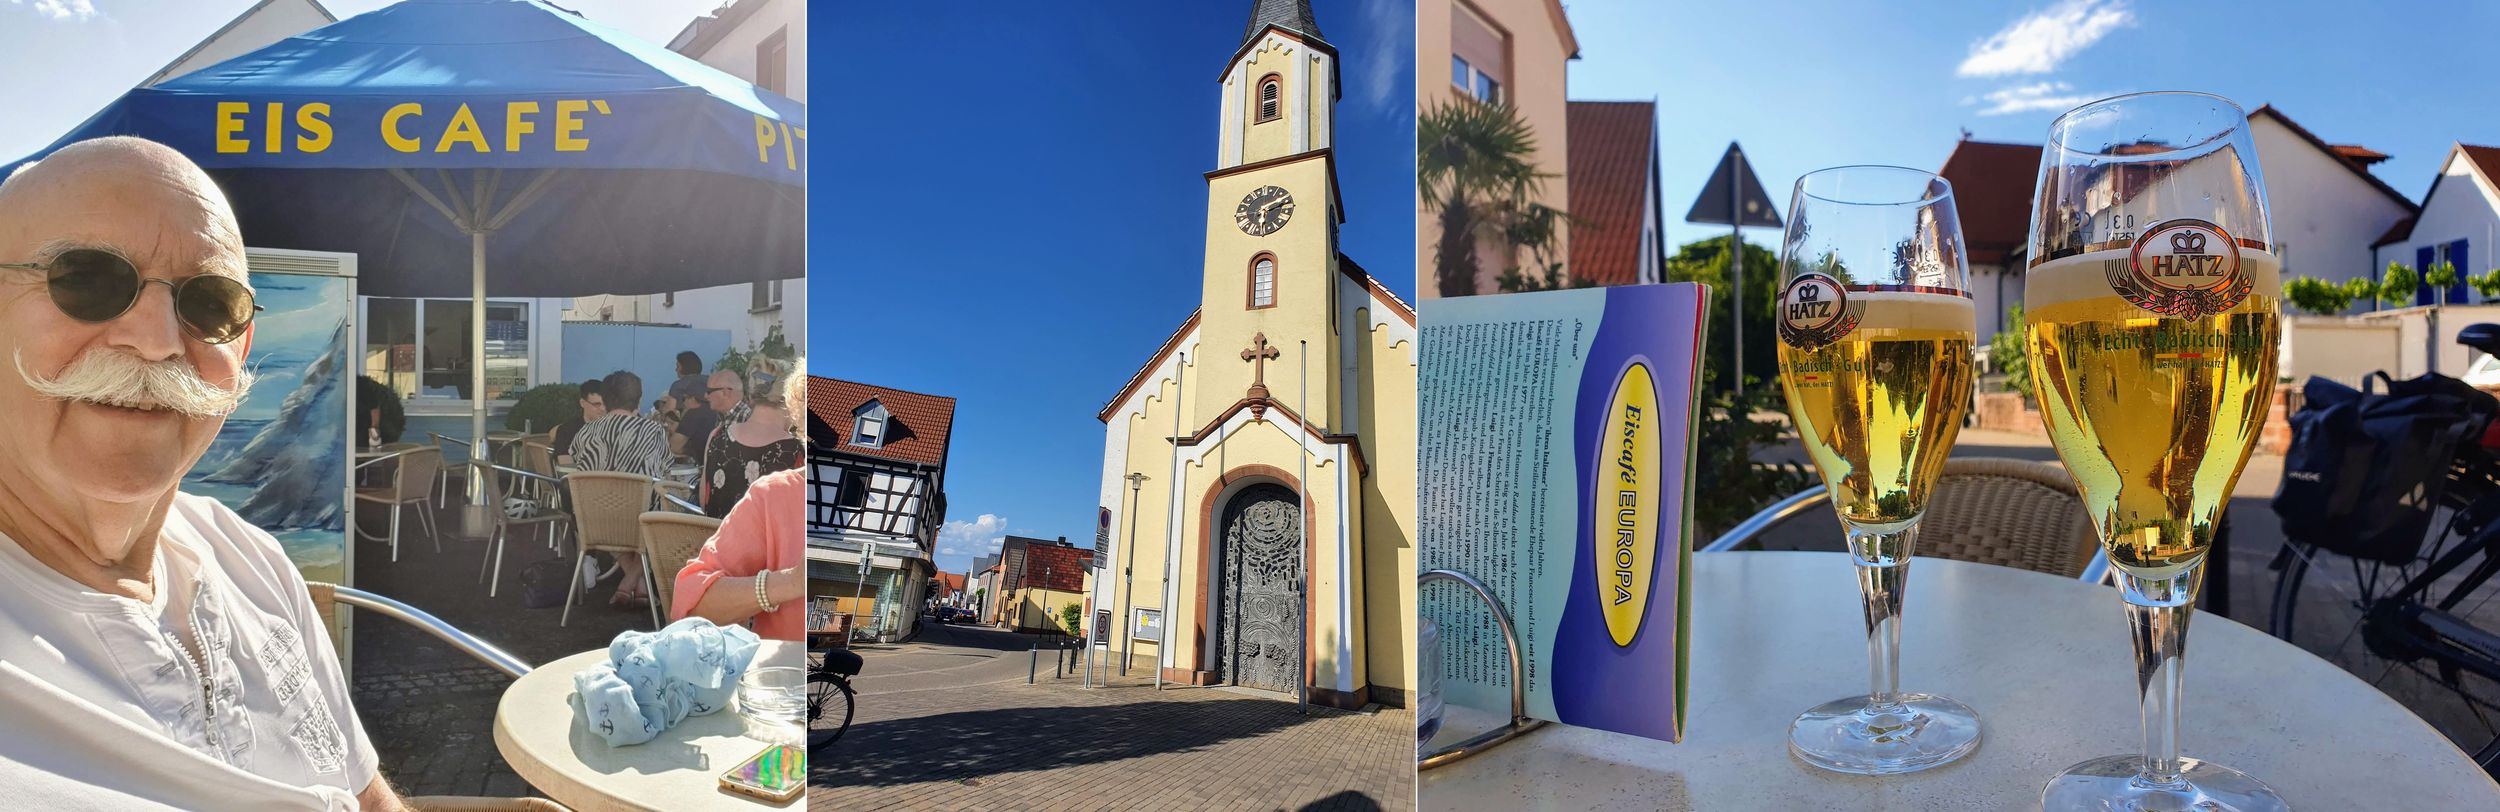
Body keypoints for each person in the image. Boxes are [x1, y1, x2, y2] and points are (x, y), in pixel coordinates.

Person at [0, 138, 400, 808]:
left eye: (210, 303)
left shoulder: (255, 561)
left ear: (240, 350)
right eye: (86, 280)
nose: (158, 340)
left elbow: (365, 798)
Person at [674, 366, 807, 641]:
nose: (708, 397)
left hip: (711, 540)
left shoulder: (718, 436)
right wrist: (789, 581)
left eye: (710, 392)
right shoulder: (792, 450)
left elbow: (703, 496)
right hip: (749, 560)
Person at [570, 370, 672, 606]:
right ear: (639, 400)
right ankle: (638, 580)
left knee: (619, 509)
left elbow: (575, 462)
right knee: (655, 504)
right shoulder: (653, 431)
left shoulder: (586, 432)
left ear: (604, 400)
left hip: (595, 521)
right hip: (640, 523)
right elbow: (666, 469)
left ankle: (631, 582)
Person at [698, 371, 801, 518]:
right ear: (790, 401)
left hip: (717, 538)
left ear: (751, 397)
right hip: (762, 541)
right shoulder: (794, 449)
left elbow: (704, 501)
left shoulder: (716, 436)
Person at [550, 377, 603, 466]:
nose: (602, 409)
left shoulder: (613, 429)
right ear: (582, 403)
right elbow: (566, 467)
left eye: (605, 403)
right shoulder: (567, 430)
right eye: (596, 404)